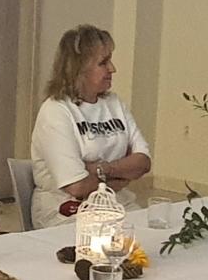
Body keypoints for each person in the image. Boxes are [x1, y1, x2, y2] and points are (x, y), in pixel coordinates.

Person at [30, 25, 151, 228]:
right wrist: (122, 175)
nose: (112, 69)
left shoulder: (114, 103)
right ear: (79, 69)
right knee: (111, 240)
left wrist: (101, 169)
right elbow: (77, 187)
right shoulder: (55, 111)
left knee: (154, 236)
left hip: (116, 203)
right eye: (103, 63)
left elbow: (143, 162)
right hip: (68, 209)